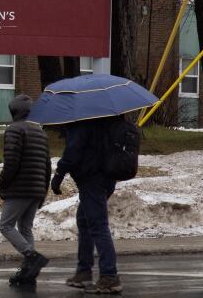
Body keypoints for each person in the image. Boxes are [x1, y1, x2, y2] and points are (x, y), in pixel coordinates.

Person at [51, 116, 123, 294]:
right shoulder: (106, 119)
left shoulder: (82, 121)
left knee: (98, 226)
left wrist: (59, 174)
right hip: (107, 176)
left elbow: (73, 150)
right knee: (84, 221)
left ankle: (109, 275)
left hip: (92, 179)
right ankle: (84, 271)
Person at [0, 94, 52, 286]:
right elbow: (47, 166)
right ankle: (29, 272)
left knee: (5, 225)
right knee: (25, 228)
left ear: (14, 112)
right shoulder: (41, 133)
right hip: (36, 188)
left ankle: (31, 256)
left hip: (19, 188)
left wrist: (2, 182)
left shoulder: (14, 130)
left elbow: (11, 162)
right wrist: (43, 191)